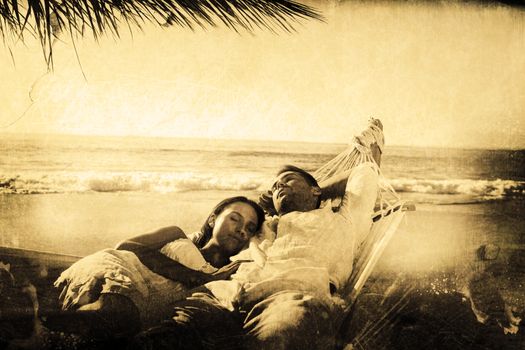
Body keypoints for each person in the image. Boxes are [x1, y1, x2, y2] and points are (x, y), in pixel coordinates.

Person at [133, 119, 385, 350]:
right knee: (161, 338)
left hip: (291, 297)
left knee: (275, 341)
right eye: (275, 187)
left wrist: (318, 187)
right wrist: (280, 198)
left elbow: (365, 171)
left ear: (316, 191)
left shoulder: (344, 219)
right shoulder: (262, 225)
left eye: (289, 180)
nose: (279, 187)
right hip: (225, 294)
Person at [45, 196, 265, 340]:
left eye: (250, 228)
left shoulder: (232, 272)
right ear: (212, 220)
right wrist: (193, 276)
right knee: (118, 311)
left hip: (144, 307)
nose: (240, 230)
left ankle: (43, 326)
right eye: (234, 219)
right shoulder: (177, 234)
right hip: (121, 270)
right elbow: (127, 246)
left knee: (123, 322)